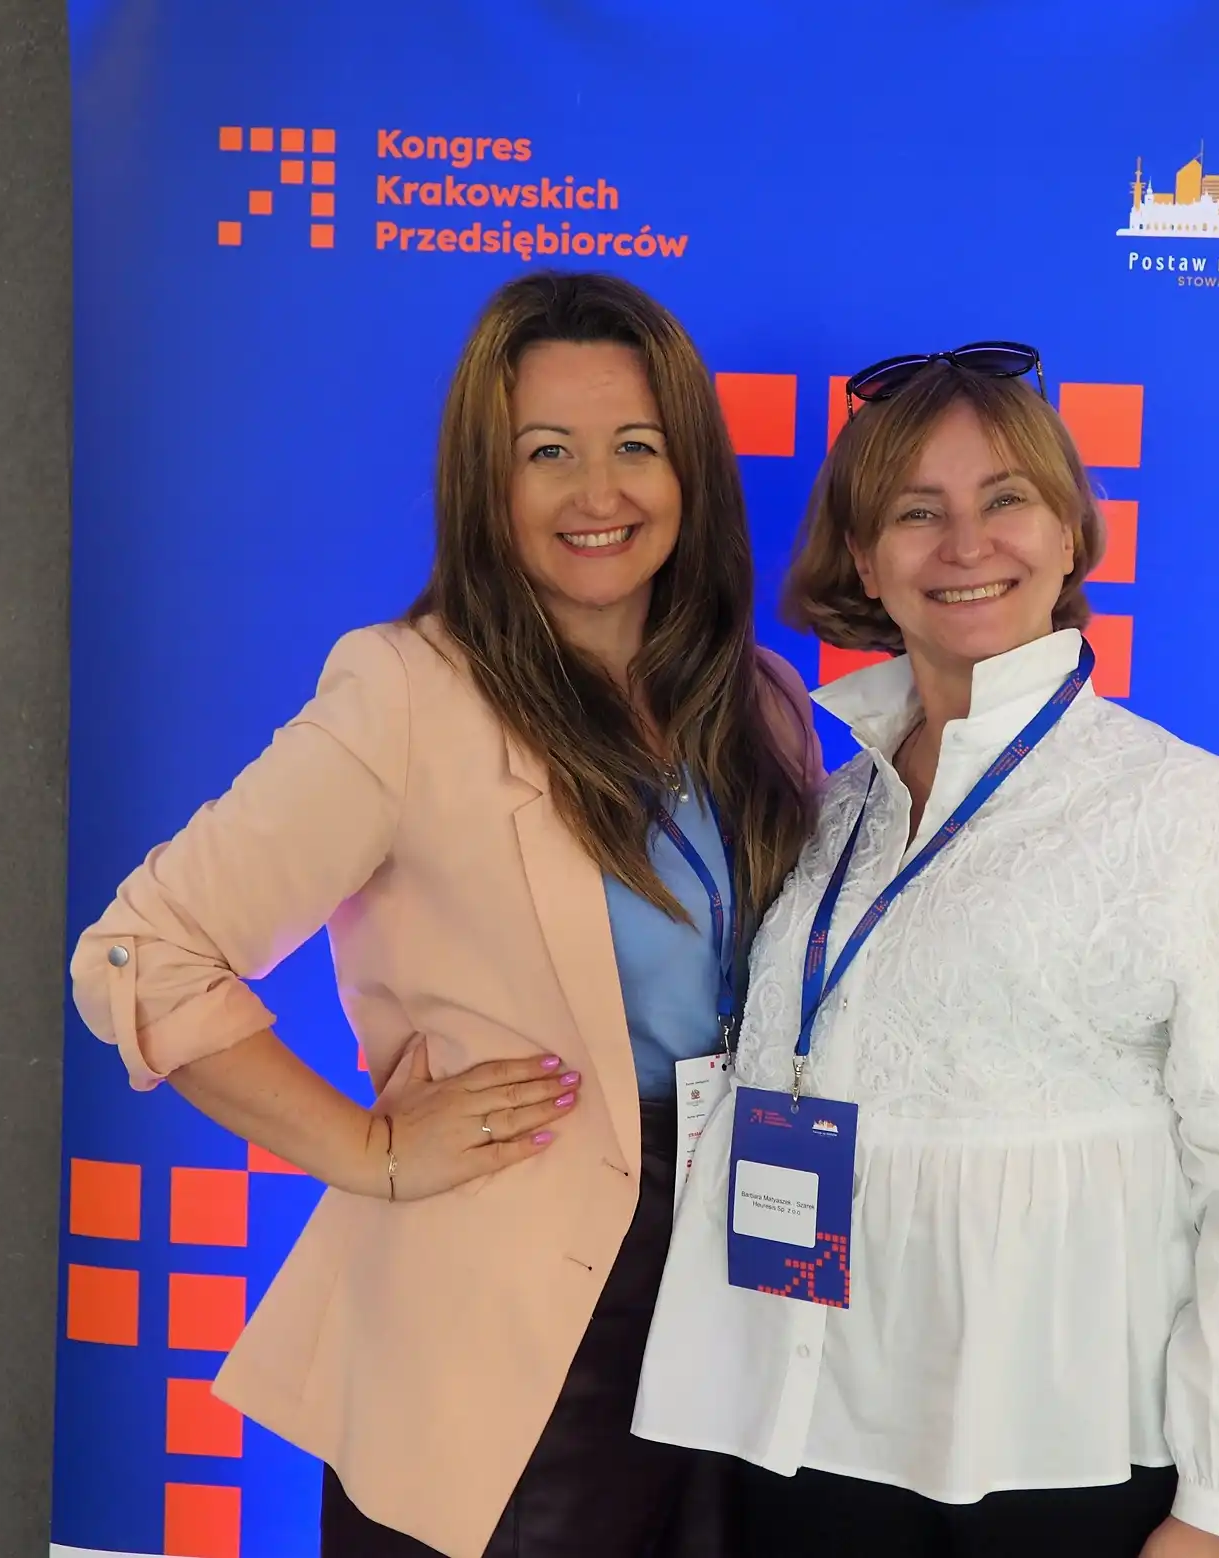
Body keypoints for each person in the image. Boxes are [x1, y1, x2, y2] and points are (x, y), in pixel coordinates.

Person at [68, 271, 820, 1558]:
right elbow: (143, 954)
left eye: (636, 446)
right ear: (487, 483)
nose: (598, 492)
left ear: (691, 469)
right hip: (502, 1328)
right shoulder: (409, 695)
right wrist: (367, 1149)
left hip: (731, 1291)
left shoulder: (759, 704)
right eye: (548, 452)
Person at [633, 343, 1219, 1558]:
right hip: (816, 1459)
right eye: (915, 512)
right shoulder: (836, 807)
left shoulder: (1178, 811)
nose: (965, 544)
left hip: (1078, 1481)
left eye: (1005, 500)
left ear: (1067, 537)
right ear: (863, 560)